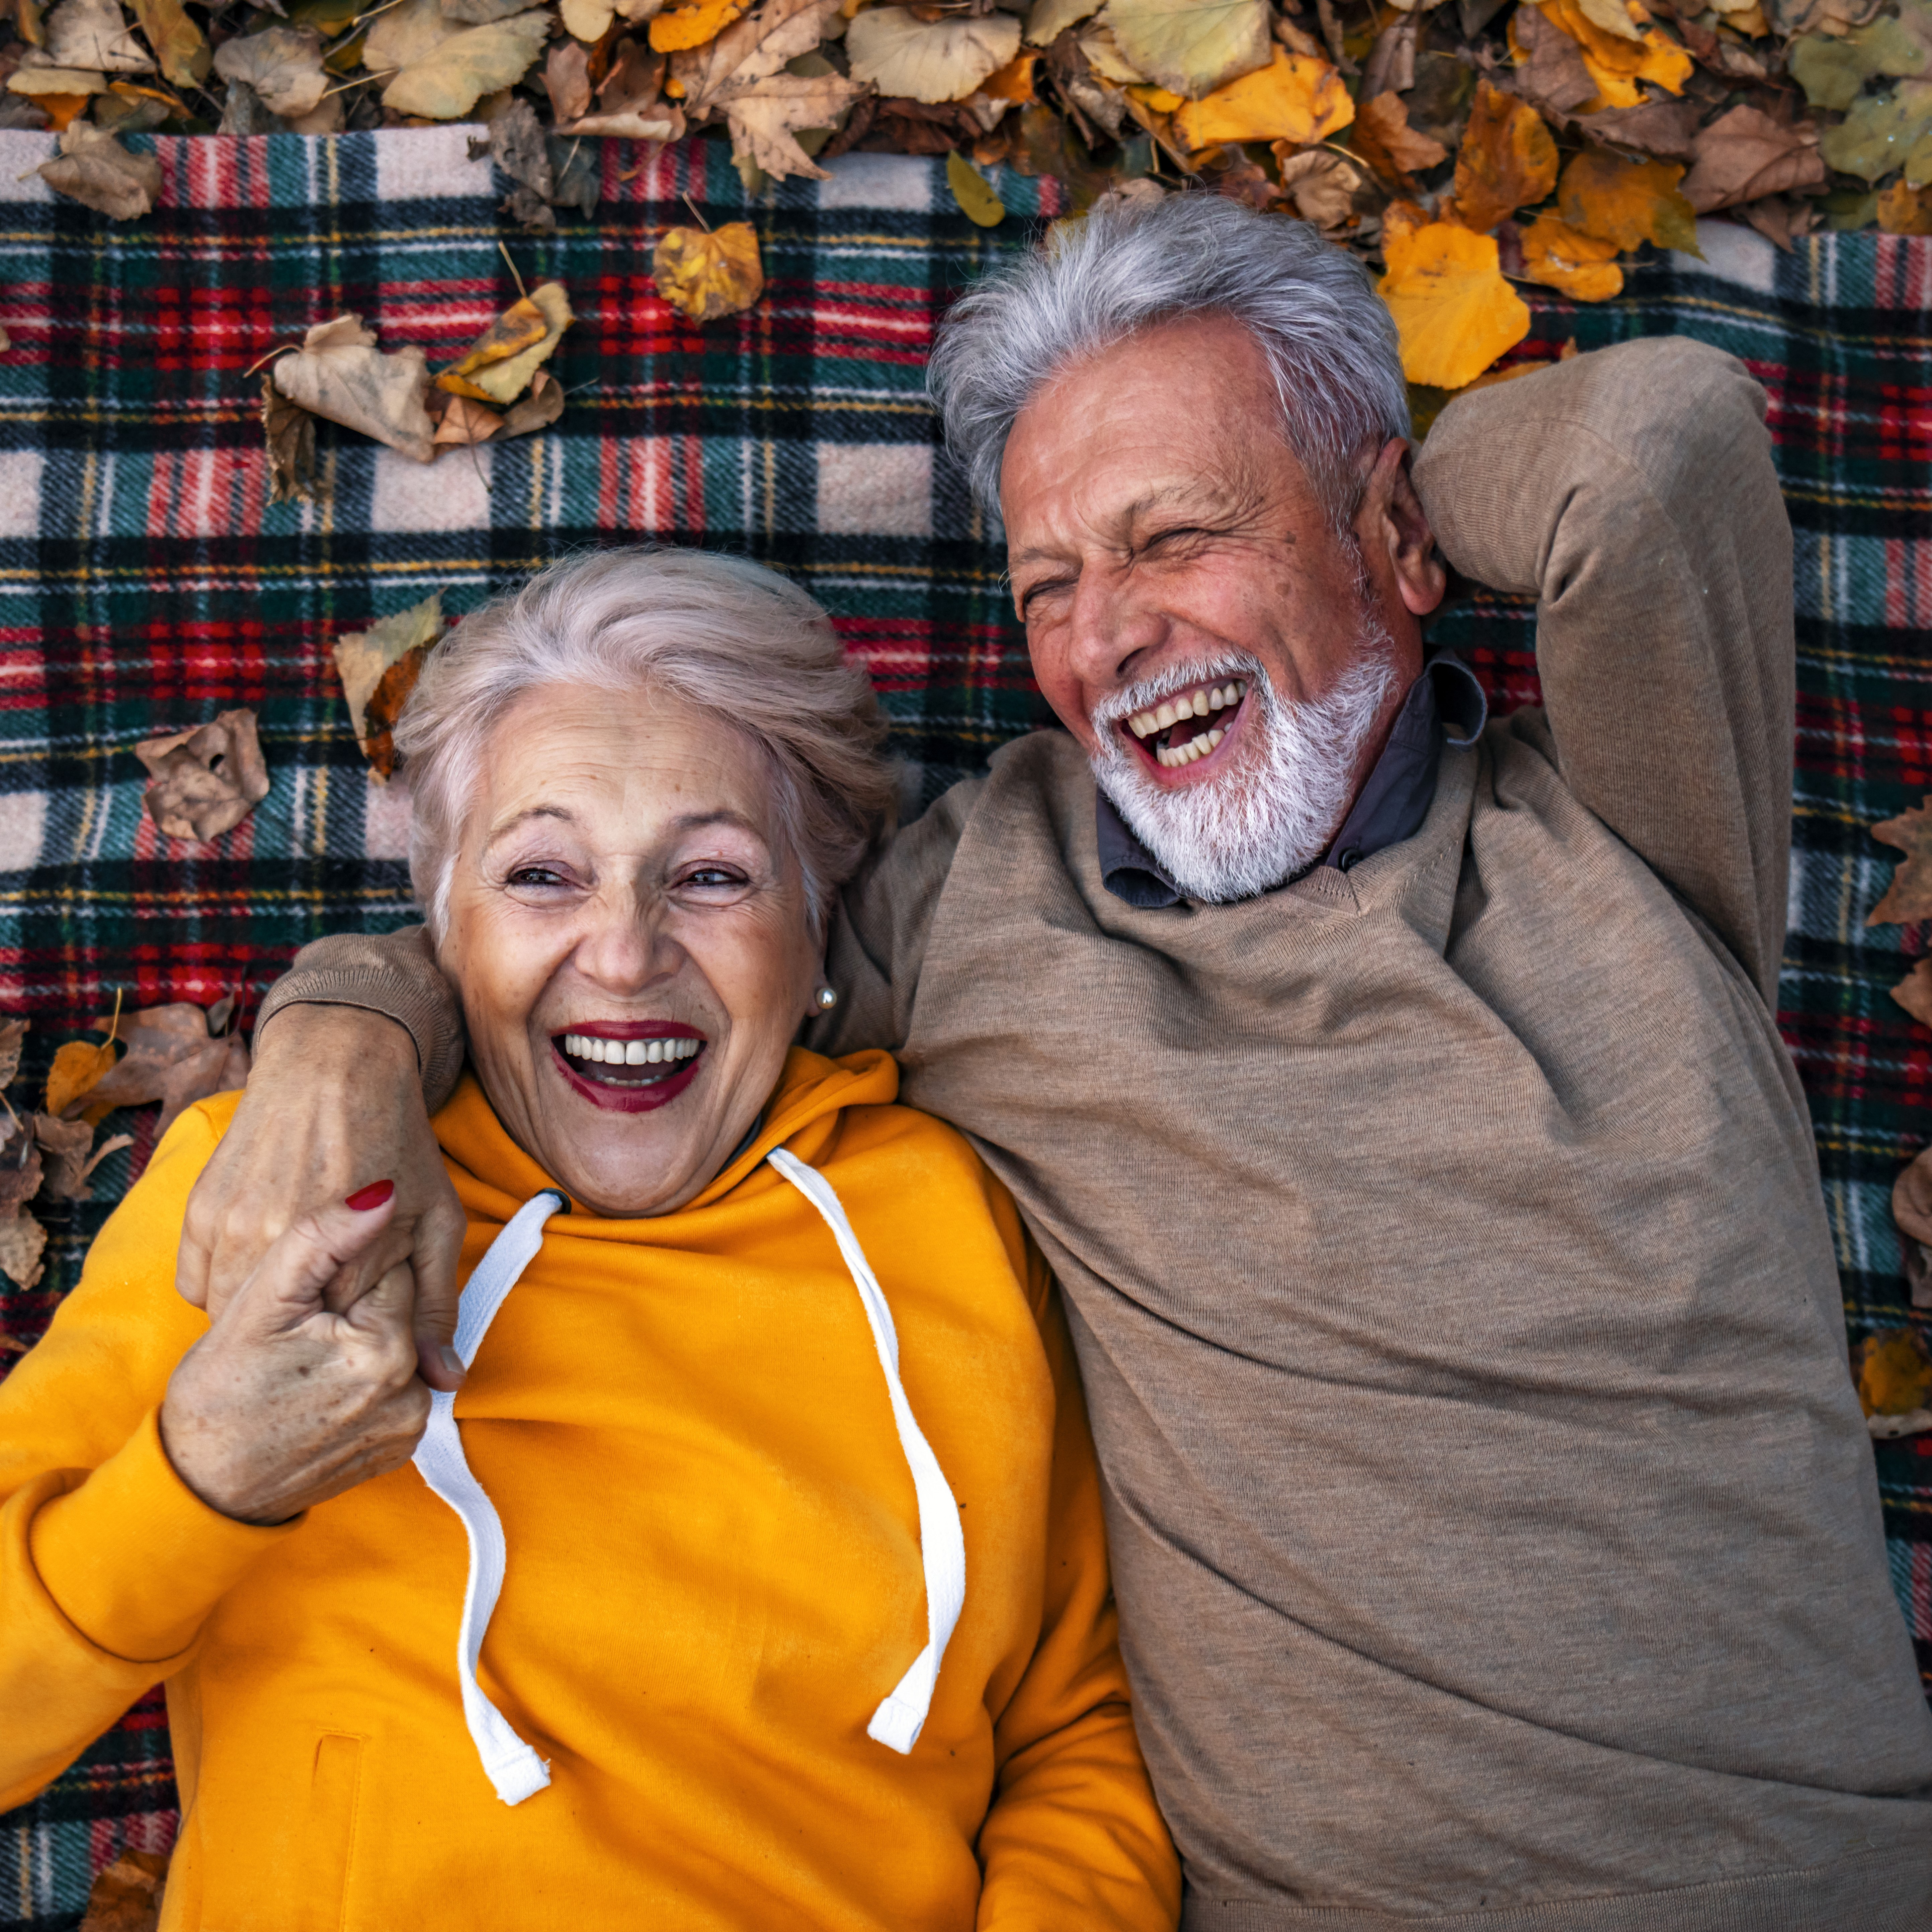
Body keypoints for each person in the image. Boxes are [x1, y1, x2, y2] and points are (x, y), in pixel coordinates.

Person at [181, 196, 1932, 1928]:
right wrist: (340, 1036)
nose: (1104, 638)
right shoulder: (980, 907)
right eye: (1048, 584)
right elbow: (617, 963)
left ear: (1399, 538)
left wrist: (1392, 494)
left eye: (1174, 540)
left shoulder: (1634, 847)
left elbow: (1653, 447)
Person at [0, 548, 1182, 1931]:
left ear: (817, 929)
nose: (623, 952)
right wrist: (197, 1487)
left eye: (715, 875)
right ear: (449, 929)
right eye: (544, 873)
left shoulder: (950, 1211)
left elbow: (1075, 1733)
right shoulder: (278, 1181)